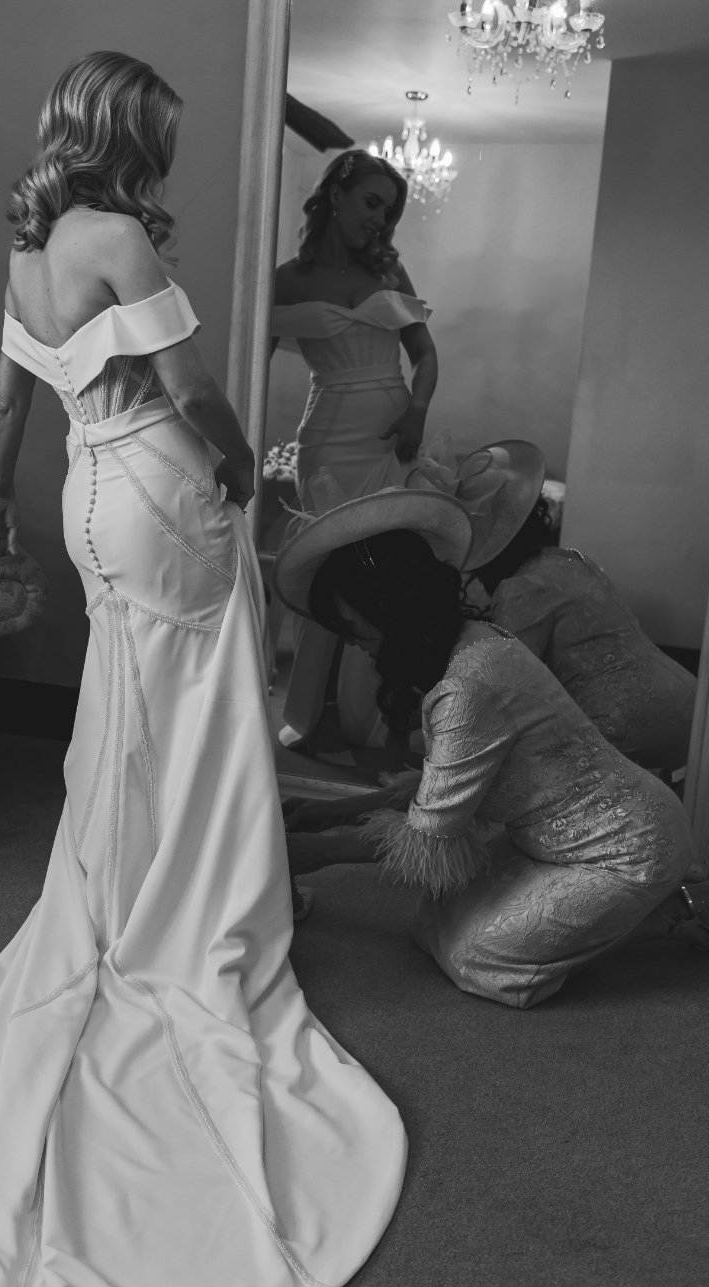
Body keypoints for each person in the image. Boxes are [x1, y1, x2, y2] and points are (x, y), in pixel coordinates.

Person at [0, 52, 406, 1287]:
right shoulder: (116, 237)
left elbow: (8, 397)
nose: (165, 152)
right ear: (122, 133)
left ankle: (126, 896)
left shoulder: (30, 251)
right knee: (200, 711)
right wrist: (247, 475)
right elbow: (196, 393)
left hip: (86, 499)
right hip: (162, 490)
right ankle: (185, 910)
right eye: (158, 131)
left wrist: (1, 498)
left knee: (127, 718)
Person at [273, 487, 699, 1010]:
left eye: (349, 625)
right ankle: (629, 906)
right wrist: (332, 812)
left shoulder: (467, 687)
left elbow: (430, 837)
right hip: (550, 836)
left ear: (385, 610)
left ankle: (660, 905)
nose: (349, 639)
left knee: (473, 955)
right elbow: (442, 787)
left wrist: (318, 853)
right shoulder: (474, 635)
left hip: (629, 850)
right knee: (433, 920)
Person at [270, 149, 439, 753]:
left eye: (388, 212)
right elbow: (251, 360)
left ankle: (382, 717)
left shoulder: (390, 271)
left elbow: (425, 355)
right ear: (336, 194)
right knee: (327, 567)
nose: (379, 220)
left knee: (390, 568)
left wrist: (418, 409)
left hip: (392, 433)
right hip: (326, 432)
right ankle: (313, 714)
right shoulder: (287, 279)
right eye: (371, 202)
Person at [411, 444, 699, 778]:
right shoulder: (572, 560)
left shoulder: (520, 590)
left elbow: (502, 695)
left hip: (631, 727)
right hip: (690, 706)